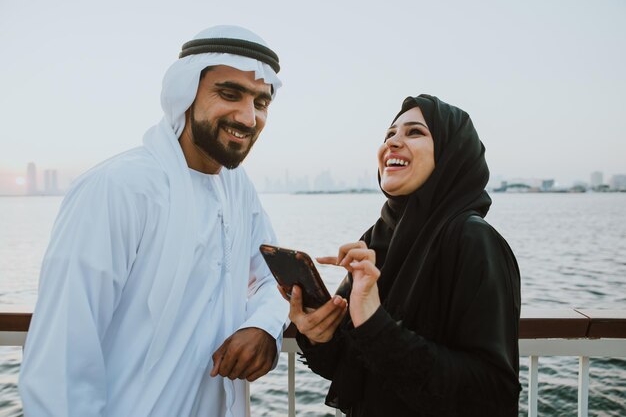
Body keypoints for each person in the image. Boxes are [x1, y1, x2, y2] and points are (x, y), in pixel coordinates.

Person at [19, 25, 289, 417]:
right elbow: (61, 356)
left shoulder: (237, 188)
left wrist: (264, 326)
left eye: (261, 102)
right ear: (185, 96)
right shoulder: (118, 187)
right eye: (229, 94)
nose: (248, 117)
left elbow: (271, 277)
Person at [285, 95, 521, 416]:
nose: (393, 142)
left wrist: (374, 322)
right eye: (388, 135)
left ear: (452, 154)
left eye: (414, 132)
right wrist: (317, 335)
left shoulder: (473, 240)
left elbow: (491, 393)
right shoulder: (376, 238)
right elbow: (350, 365)